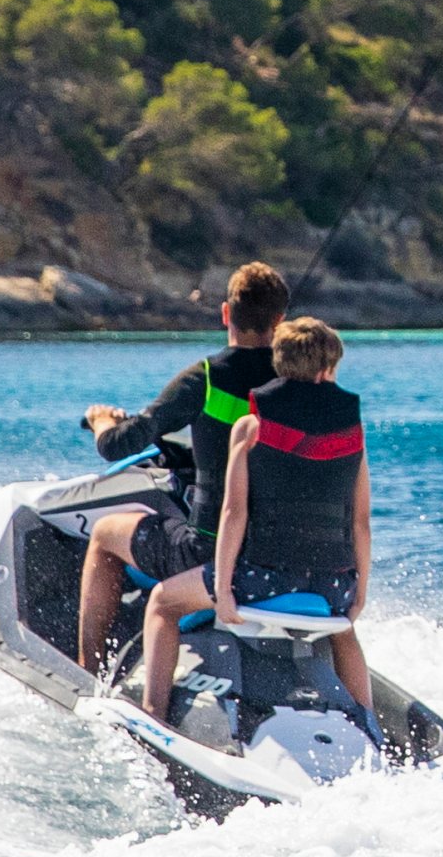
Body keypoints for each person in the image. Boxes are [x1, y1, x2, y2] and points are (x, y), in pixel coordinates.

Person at [135, 315, 377, 732]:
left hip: (263, 580)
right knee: (343, 631)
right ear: (327, 371)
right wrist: (358, 595)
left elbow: (234, 513)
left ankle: (153, 715)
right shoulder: (351, 430)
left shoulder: (251, 426)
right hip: (333, 586)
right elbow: (361, 522)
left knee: (161, 602)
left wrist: (224, 591)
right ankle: (369, 725)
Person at [69, 262, 286, 666]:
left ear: (226, 313)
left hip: (206, 549)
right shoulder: (298, 384)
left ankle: (89, 669)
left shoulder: (205, 378)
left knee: (104, 534)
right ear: (280, 320)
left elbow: (119, 445)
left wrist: (102, 423)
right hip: (276, 550)